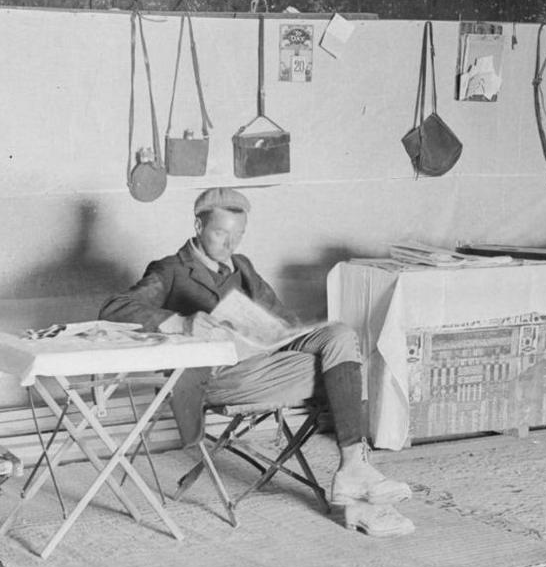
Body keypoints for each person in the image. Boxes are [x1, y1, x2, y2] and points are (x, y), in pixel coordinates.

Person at [100, 187, 415, 537]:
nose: (229, 244)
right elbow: (115, 309)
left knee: (340, 335)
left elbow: (284, 322)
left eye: (238, 235)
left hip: (264, 362)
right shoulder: (171, 269)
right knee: (345, 367)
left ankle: (354, 472)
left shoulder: (242, 266)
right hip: (218, 377)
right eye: (221, 233)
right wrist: (182, 322)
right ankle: (356, 481)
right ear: (197, 226)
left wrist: (271, 330)